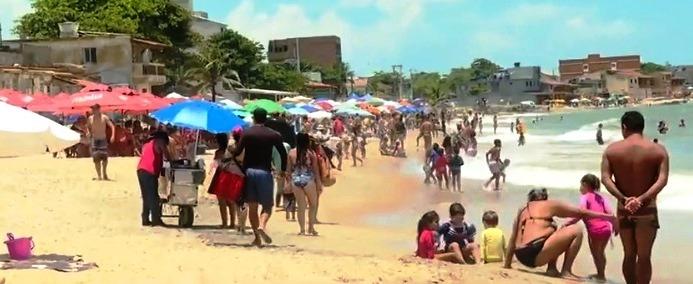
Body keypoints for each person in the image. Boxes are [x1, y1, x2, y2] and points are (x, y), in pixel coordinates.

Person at [601, 111, 669, 284]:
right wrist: (642, 199)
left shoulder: (612, 150)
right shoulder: (658, 150)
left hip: (624, 210)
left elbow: (605, 179)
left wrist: (624, 199)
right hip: (647, 210)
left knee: (629, 254)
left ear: (624, 127)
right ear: (642, 126)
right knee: (644, 256)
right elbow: (662, 180)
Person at [504, 188, 616, 280]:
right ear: (545, 198)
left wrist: (507, 264)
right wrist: (609, 217)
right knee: (577, 230)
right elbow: (581, 212)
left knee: (553, 228)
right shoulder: (549, 205)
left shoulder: (523, 208)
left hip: (521, 255)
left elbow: (513, 236)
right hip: (535, 254)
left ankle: (551, 269)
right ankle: (566, 271)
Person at [233, 108, 288, 247]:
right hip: (264, 171)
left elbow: (237, 152)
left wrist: (232, 154)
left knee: (252, 206)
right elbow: (283, 153)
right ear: (266, 118)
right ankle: (262, 226)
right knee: (267, 206)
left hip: (249, 172)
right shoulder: (273, 135)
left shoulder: (247, 133)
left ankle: (257, 238)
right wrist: (282, 169)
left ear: (254, 118)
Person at [563, 174, 615, 282]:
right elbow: (610, 213)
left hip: (595, 230)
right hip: (606, 229)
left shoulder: (585, 197)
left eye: (581, 185)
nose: (580, 188)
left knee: (596, 253)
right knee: (600, 252)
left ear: (585, 184)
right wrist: (614, 226)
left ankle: (601, 276)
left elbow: (581, 213)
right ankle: (601, 274)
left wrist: (568, 223)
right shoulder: (601, 198)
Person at [286, 133, 322, 235]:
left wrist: (288, 183)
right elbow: (315, 170)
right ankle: (311, 228)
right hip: (308, 180)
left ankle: (302, 230)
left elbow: (288, 171)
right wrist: (319, 183)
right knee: (313, 205)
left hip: (296, 180)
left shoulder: (291, 152)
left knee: (301, 206)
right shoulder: (311, 153)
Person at [136, 131, 171, 227]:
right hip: (149, 172)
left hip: (140, 170)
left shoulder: (147, 144)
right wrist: (173, 161)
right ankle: (156, 220)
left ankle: (145, 219)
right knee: (153, 196)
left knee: (146, 196)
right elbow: (167, 156)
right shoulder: (160, 142)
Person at [86, 104, 115, 180]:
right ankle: (99, 175)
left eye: (94, 109)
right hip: (94, 140)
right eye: (92, 109)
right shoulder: (90, 118)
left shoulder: (104, 117)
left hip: (103, 139)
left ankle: (104, 173)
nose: (93, 111)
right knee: (96, 159)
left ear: (99, 109)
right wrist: (88, 132)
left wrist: (113, 136)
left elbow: (112, 126)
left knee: (105, 158)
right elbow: (88, 127)